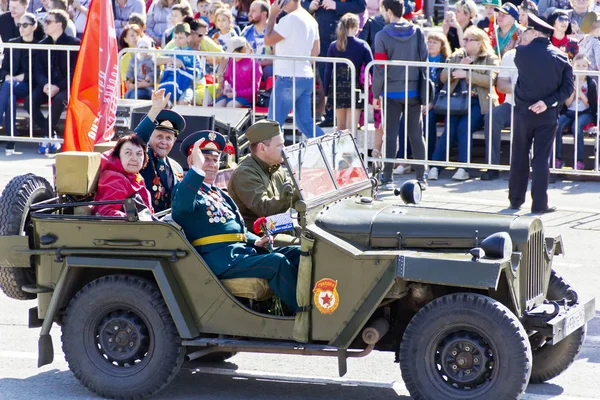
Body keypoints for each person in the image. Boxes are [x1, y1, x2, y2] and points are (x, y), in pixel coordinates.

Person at [171, 130, 301, 312]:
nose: (211, 165)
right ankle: (306, 316)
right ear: (192, 160)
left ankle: (313, 305)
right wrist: (196, 170)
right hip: (221, 260)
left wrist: (255, 240)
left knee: (300, 253)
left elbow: (236, 228)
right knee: (276, 262)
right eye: (205, 159)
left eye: (215, 160)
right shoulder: (186, 190)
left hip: (241, 252)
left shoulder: (219, 193)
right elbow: (181, 209)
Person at [508, 13, 574, 214]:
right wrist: (546, 103)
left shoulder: (521, 53)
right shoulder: (561, 57)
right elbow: (567, 89)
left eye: (528, 31)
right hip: (547, 113)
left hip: (523, 112)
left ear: (535, 32)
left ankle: (516, 199)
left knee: (519, 154)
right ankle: (539, 204)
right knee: (541, 159)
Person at [428, 26, 500, 182]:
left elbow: (490, 80)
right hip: (457, 101)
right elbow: (443, 77)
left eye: (469, 39)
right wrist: (459, 66)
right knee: (451, 126)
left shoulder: (490, 58)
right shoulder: (457, 56)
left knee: (464, 127)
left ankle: (463, 167)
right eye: (464, 39)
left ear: (479, 42)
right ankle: (435, 166)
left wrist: (468, 73)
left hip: (479, 103)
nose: (465, 42)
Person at [372, 0, 427, 187]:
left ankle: (387, 177)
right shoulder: (418, 32)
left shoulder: (381, 35)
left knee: (391, 135)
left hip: (391, 93)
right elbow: (424, 61)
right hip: (414, 91)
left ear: (388, 11)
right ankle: (422, 176)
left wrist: (375, 93)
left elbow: (379, 68)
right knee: (416, 134)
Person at [265, 0, 325, 138]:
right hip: (305, 77)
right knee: (306, 124)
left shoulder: (289, 19)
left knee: (272, 126)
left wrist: (272, 15)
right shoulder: (311, 20)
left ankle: (272, 159)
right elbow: (315, 51)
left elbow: (267, 40)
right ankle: (332, 152)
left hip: (287, 77)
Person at [228, 119, 300, 231]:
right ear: (262, 148)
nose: (284, 149)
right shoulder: (245, 173)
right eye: (279, 145)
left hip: (278, 225)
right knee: (306, 245)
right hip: (259, 235)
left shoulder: (276, 167)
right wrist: (297, 192)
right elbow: (264, 209)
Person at [28, 9, 80, 154]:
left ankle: (47, 136)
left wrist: (58, 86)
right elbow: (37, 70)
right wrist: (45, 84)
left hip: (65, 86)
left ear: (59, 24)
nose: (45, 24)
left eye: (49, 21)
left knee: (59, 100)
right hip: (47, 84)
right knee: (29, 102)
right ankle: (50, 134)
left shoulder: (74, 43)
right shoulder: (42, 43)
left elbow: (74, 72)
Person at [133, 89, 186, 213]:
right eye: (159, 137)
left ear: (174, 140)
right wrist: (155, 110)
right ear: (149, 137)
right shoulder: (141, 158)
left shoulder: (177, 167)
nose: (164, 142)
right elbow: (136, 141)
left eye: (168, 138)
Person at [323, 13, 373, 131]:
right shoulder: (362, 45)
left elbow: (327, 72)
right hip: (355, 89)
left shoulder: (334, 45)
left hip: (338, 89)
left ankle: (340, 150)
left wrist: (326, 93)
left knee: (340, 128)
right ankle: (349, 150)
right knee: (351, 130)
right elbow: (372, 69)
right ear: (356, 27)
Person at [0, 12, 38, 155]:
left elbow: (40, 70)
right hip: (11, 85)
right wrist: (9, 76)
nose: (21, 28)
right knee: (10, 97)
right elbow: (2, 70)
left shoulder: (39, 45)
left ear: (34, 27)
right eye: (20, 25)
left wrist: (24, 77)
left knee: (7, 87)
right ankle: (11, 140)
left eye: (25, 25)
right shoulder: (12, 42)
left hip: (29, 85)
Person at [93, 134, 154, 218]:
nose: (134, 158)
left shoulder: (134, 176)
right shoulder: (116, 179)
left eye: (139, 154)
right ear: (118, 156)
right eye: (128, 153)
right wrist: (134, 219)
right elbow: (106, 212)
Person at [554, 54, 597, 170]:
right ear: (573, 67)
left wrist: (580, 92)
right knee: (558, 126)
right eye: (578, 65)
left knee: (576, 126)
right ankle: (557, 158)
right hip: (570, 111)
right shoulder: (568, 82)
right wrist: (573, 90)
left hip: (585, 112)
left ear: (588, 68)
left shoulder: (591, 83)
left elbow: (590, 104)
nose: (581, 68)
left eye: (584, 66)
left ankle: (580, 160)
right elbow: (567, 104)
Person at [157, 22, 203, 106]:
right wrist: (171, 60)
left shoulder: (193, 54)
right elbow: (156, 61)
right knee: (164, 103)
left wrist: (184, 69)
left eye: (180, 38)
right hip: (170, 84)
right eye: (175, 37)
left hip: (186, 86)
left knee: (183, 102)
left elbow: (200, 73)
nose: (177, 40)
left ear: (188, 38)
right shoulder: (171, 52)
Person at [215, 36, 262, 108]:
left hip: (246, 97)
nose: (232, 56)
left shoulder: (254, 64)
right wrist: (226, 88)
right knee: (218, 106)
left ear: (243, 50)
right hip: (230, 95)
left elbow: (255, 88)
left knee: (230, 105)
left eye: (234, 53)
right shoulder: (231, 61)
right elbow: (227, 78)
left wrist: (237, 93)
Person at [241, 0, 273, 79]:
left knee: (269, 70)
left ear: (264, 14)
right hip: (249, 68)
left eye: (253, 11)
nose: (249, 14)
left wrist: (258, 63)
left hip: (267, 68)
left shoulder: (274, 30)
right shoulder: (246, 31)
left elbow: (279, 57)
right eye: (249, 11)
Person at [118, 23, 145, 89]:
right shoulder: (123, 59)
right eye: (132, 35)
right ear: (125, 39)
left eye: (138, 35)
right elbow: (126, 81)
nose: (135, 38)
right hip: (133, 89)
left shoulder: (151, 52)